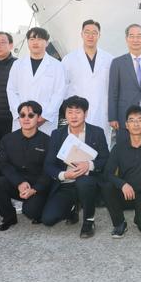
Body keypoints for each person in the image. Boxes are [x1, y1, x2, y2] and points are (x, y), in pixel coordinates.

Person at [41, 96, 110, 238]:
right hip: (66, 182)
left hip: (88, 181)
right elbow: (48, 164)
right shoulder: (57, 134)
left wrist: (89, 165)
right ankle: (74, 207)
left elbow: (106, 159)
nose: (73, 116)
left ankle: (89, 220)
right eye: (70, 112)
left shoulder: (97, 132)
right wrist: (64, 175)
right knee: (48, 219)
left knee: (83, 182)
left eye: (78, 112)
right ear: (65, 114)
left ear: (85, 114)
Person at [102, 105, 141, 238]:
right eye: (131, 120)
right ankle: (119, 223)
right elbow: (107, 173)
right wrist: (122, 184)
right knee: (107, 186)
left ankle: (139, 217)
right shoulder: (119, 148)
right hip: (124, 193)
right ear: (126, 125)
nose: (136, 124)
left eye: (140, 120)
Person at [0, 100, 51, 231]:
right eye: (22, 115)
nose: (26, 119)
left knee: (31, 212)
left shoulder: (47, 141)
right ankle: (8, 218)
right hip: (17, 183)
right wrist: (19, 182)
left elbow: (48, 171)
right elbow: (3, 164)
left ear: (39, 118)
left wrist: (34, 189)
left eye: (31, 115)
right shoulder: (8, 139)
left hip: (37, 187)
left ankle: (42, 207)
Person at [62, 19, 114, 144]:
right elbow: (63, 87)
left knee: (101, 146)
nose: (90, 36)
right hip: (77, 112)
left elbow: (113, 88)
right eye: (87, 32)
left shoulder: (109, 59)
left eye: (94, 33)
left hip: (102, 112)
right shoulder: (69, 59)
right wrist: (69, 109)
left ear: (99, 35)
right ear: (81, 34)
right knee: (77, 148)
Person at [6, 27, 66, 135]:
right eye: (32, 39)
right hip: (22, 119)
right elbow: (11, 90)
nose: (35, 42)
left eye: (39, 39)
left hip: (45, 121)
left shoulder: (57, 66)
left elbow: (59, 93)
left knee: (44, 144)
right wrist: (20, 114)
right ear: (28, 42)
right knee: (19, 144)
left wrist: (45, 116)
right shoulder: (18, 64)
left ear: (47, 43)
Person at [108, 24, 141, 142]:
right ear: (126, 39)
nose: (135, 40)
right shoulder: (117, 63)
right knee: (123, 147)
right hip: (124, 116)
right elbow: (113, 91)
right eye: (132, 36)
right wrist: (112, 117)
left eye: (139, 36)